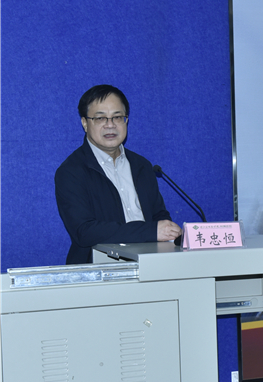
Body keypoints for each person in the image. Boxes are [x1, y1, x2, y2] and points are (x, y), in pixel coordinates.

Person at [55, 84, 182, 264]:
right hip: (98, 268)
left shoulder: (142, 165)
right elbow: (84, 231)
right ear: (84, 123)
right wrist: (150, 231)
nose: (110, 125)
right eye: (100, 118)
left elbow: (159, 215)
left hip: (150, 264)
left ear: (126, 120)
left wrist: (168, 231)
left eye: (117, 117)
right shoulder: (71, 171)